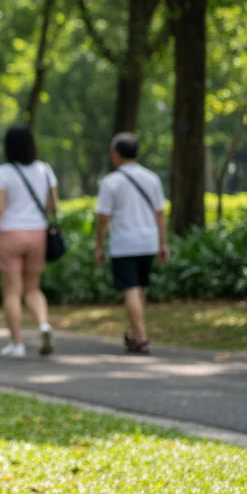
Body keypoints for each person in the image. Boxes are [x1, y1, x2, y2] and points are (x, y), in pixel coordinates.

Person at [0, 126, 57, 358]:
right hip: (38, 234)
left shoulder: (2, 173)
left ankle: (17, 344)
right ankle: (44, 324)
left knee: (12, 293)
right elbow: (53, 205)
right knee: (33, 289)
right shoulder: (45, 170)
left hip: (10, 235)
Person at [95, 132, 169, 354]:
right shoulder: (152, 178)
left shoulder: (111, 182)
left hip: (124, 242)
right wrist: (163, 243)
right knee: (140, 290)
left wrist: (99, 246)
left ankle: (142, 338)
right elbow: (160, 215)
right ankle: (134, 333)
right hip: (148, 241)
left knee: (130, 289)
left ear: (116, 154)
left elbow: (102, 218)